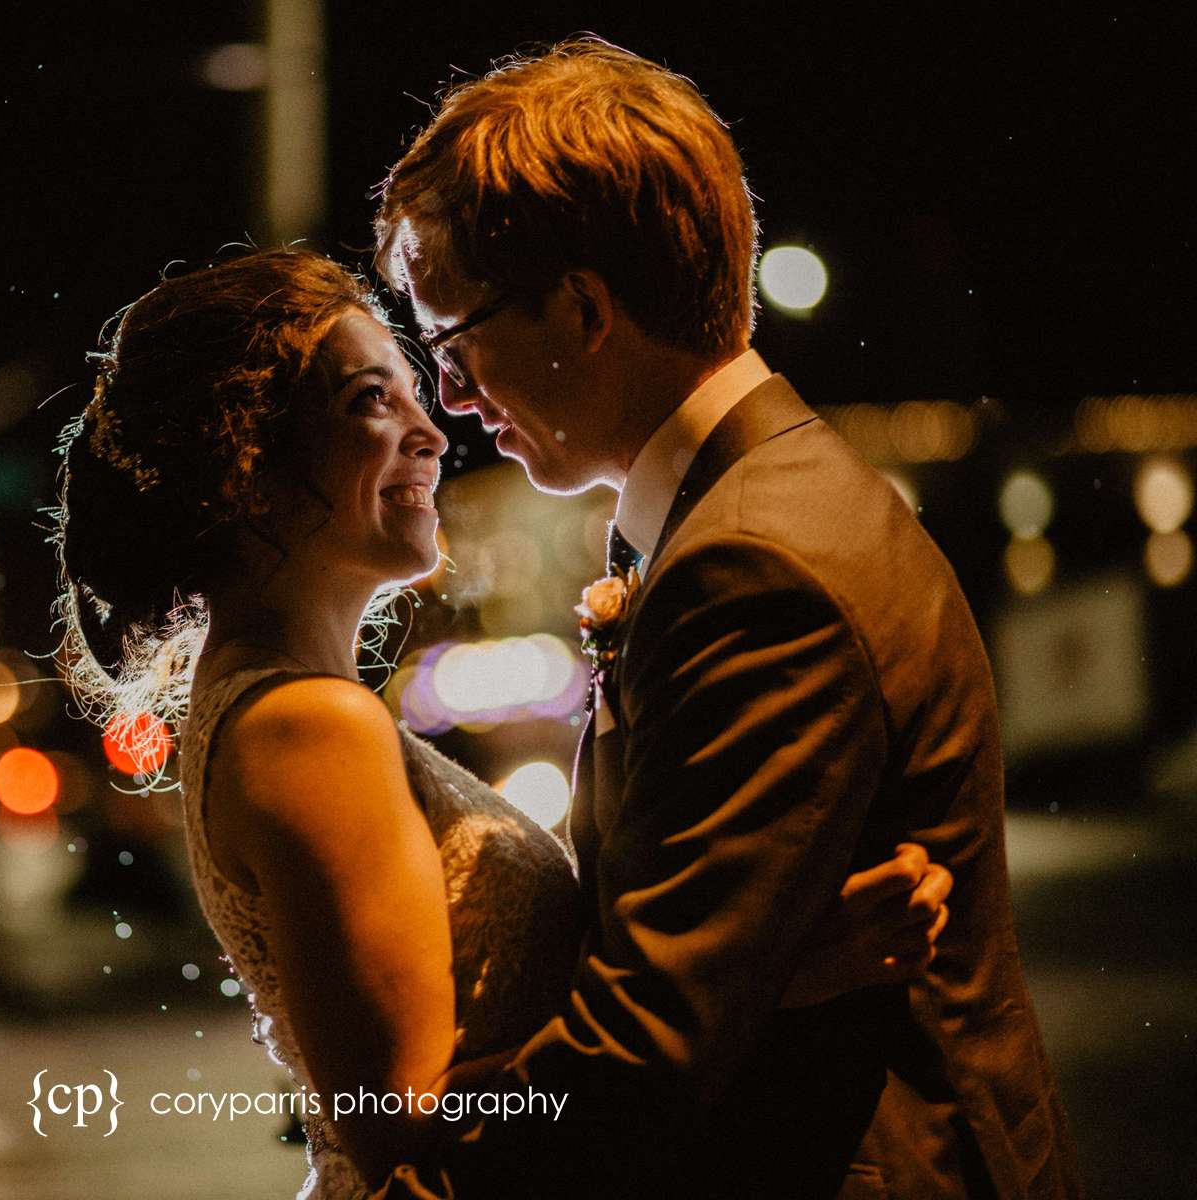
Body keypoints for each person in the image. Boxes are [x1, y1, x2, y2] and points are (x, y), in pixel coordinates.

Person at [51, 249, 954, 1198]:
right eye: (370, 400)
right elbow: (402, 1134)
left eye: (413, 392)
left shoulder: (276, 705)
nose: (430, 432)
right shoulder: (309, 726)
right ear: (246, 464)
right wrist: (762, 994)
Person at [371, 36, 1079, 1199]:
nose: (449, 395)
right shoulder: (752, 505)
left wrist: (410, 1192)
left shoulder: (751, 562)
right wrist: (777, 965)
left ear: (585, 307)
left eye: (454, 340)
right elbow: (704, 959)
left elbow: (647, 1041)